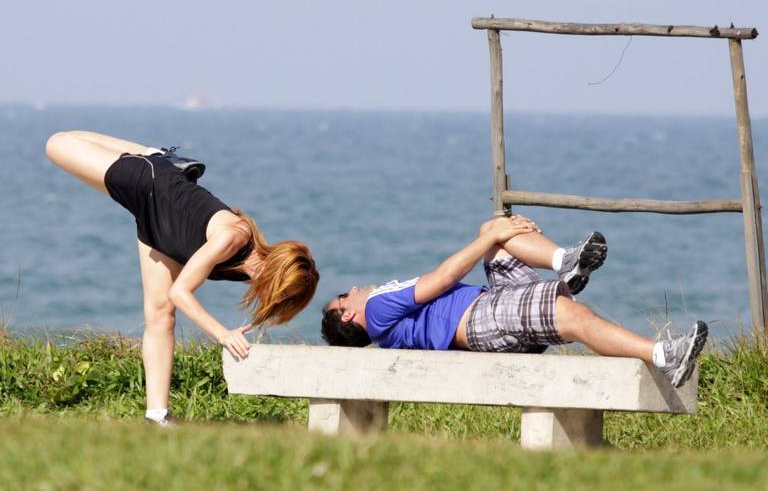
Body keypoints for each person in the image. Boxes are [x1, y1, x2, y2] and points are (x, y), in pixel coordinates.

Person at [46, 131, 319, 424]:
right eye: (284, 294)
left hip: (161, 235)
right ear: (277, 274)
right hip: (151, 185)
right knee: (56, 144)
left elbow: (175, 295)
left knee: (161, 315)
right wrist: (222, 334)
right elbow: (181, 292)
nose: (276, 299)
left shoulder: (246, 270)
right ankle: (156, 156)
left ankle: (157, 416)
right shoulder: (234, 237)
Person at [321, 215, 707, 388]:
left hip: (488, 311)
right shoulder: (376, 307)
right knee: (573, 316)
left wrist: (495, 235)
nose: (352, 287)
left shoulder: (386, 328)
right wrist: (486, 243)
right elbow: (442, 279)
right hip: (484, 319)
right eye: (343, 295)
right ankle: (663, 357)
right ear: (349, 313)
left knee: (494, 226)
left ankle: (564, 261)